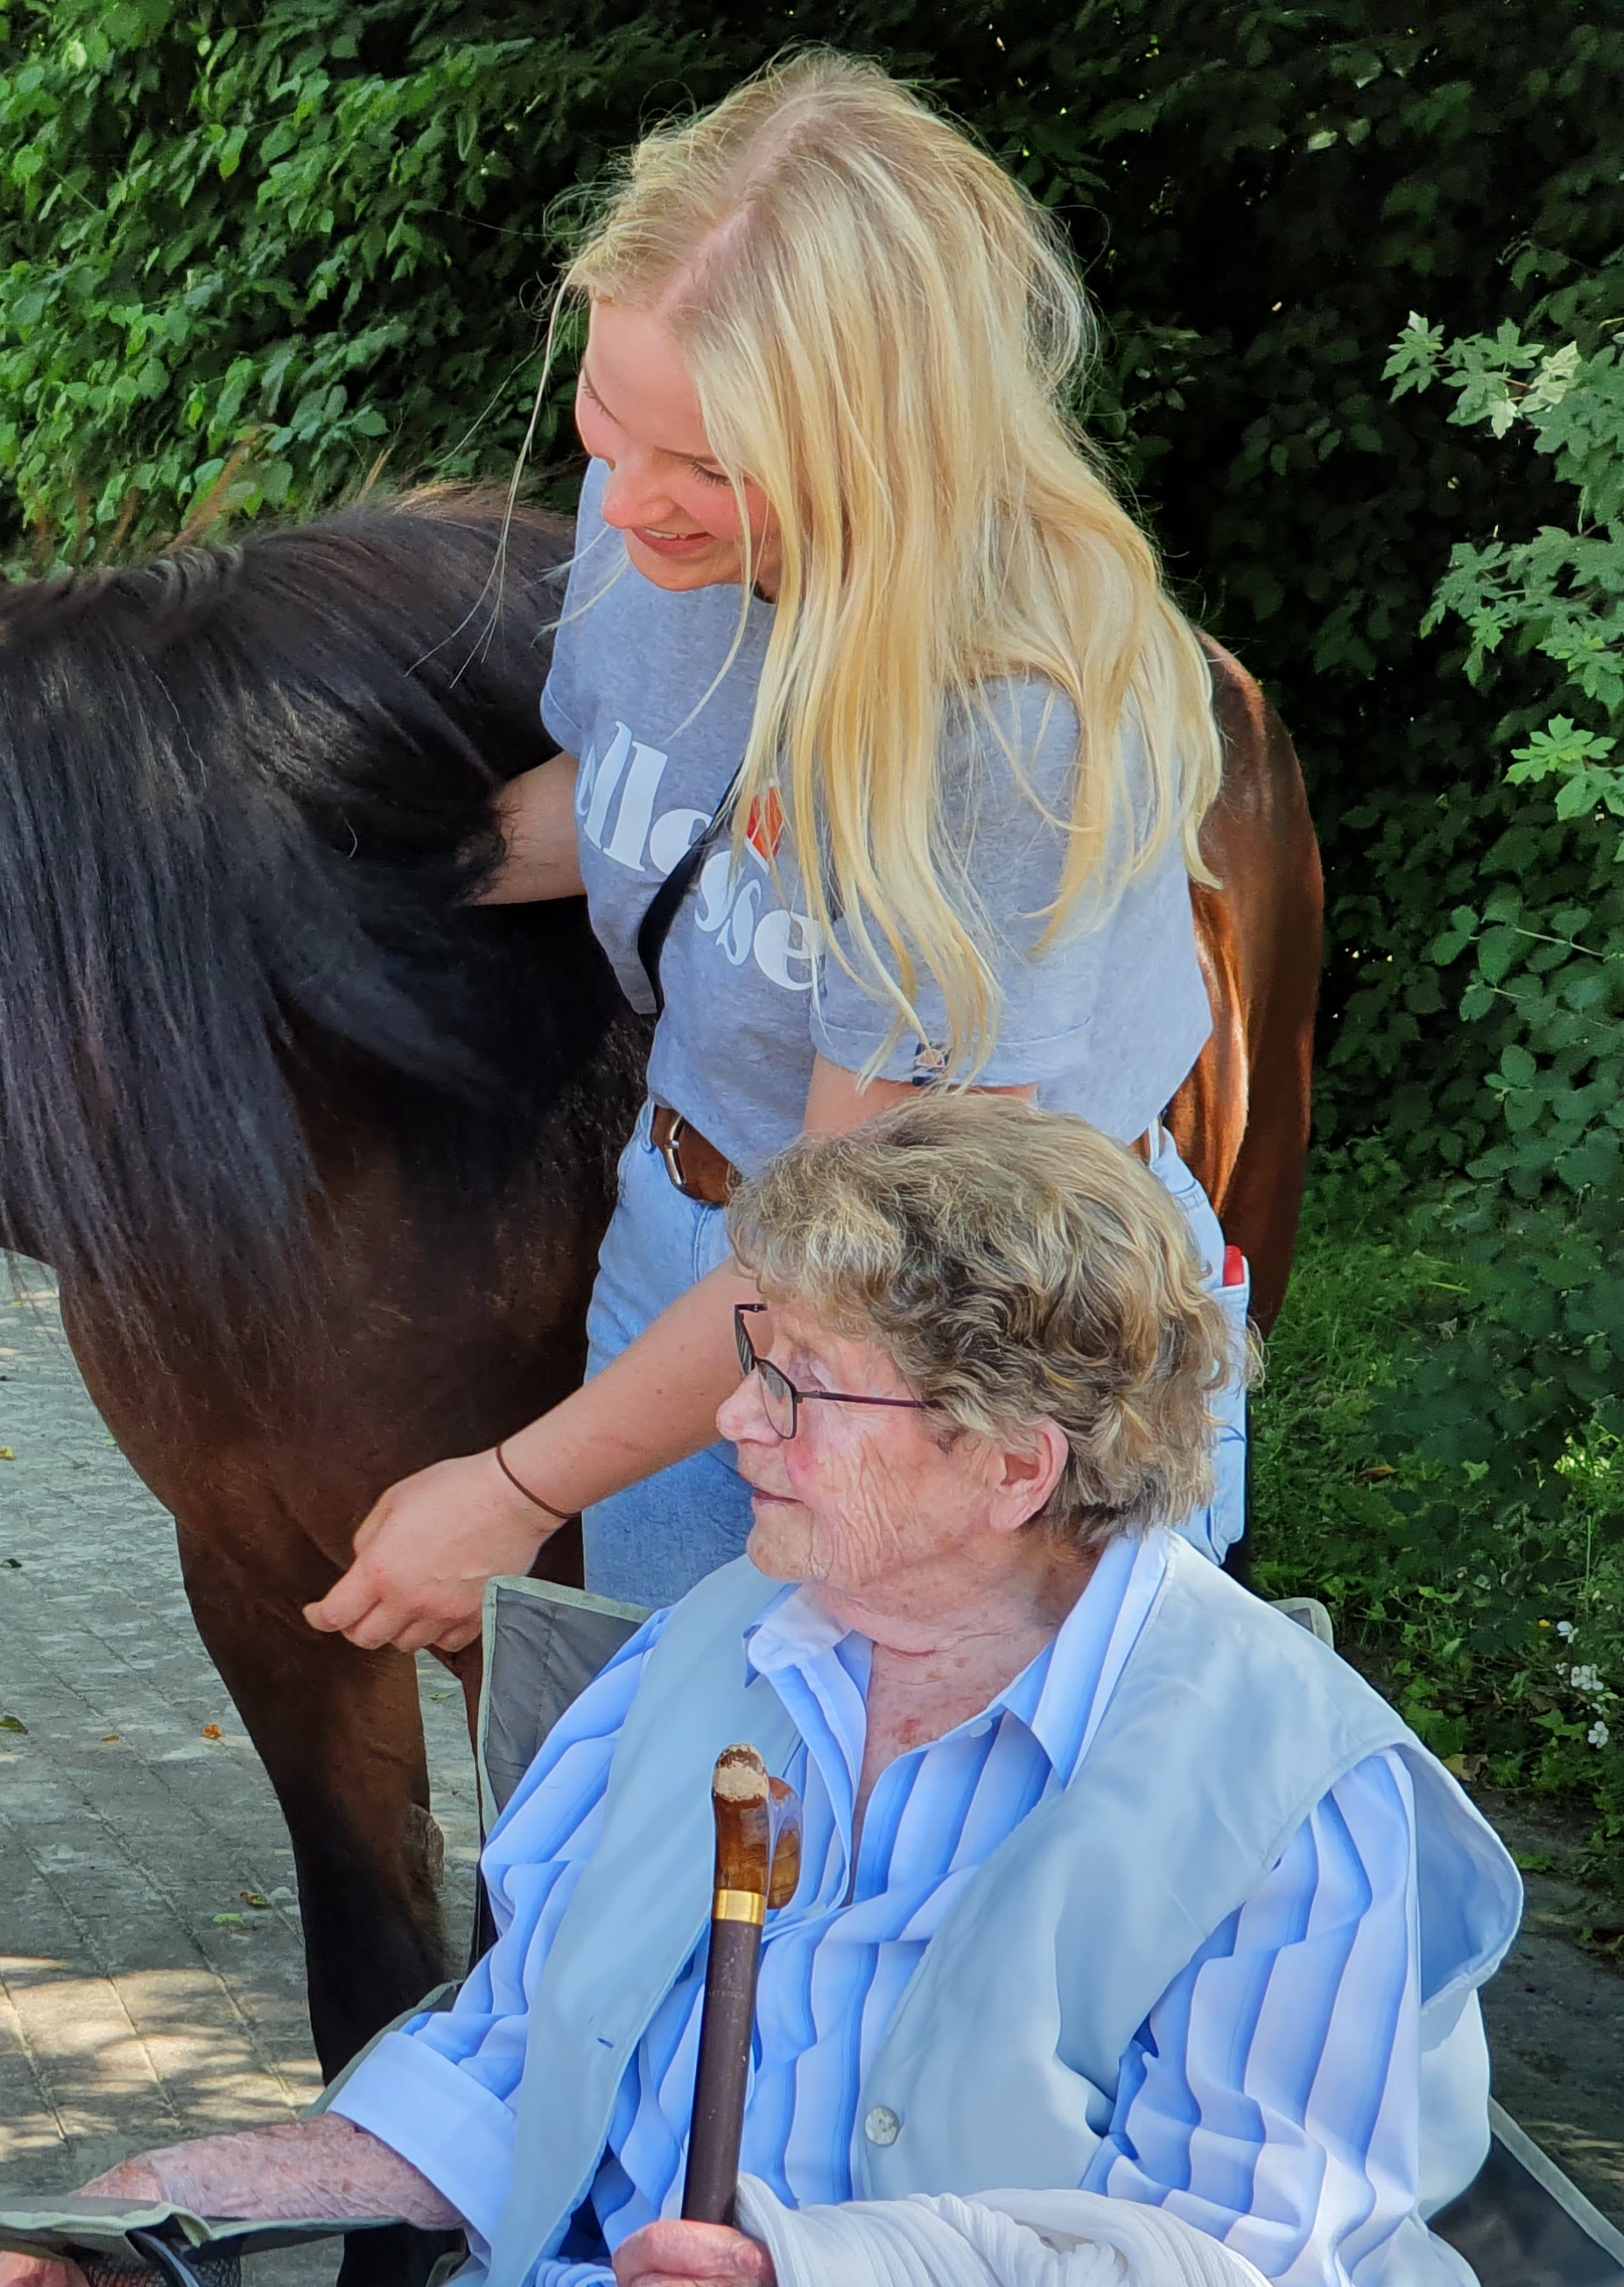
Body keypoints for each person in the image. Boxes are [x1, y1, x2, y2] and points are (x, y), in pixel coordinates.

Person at [0, 1098, 1518, 2287]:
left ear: (1007, 1465)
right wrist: (167, 2195)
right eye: (752, 1361)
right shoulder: (716, 1649)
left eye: (798, 1387)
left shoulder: (1293, 1792)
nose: (735, 1422)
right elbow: (518, 2064)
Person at [306, 53, 1249, 1651]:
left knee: (927, 1871)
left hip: (968, 1369)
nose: (630, 500)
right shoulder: (644, 525)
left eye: (712, 466)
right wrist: (341, 877)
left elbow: (864, 1225)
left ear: (892, 445)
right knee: (694, 1833)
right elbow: (631, 808)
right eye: (609, 416)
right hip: (693, 1247)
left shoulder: (1009, 716)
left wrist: (516, 1489)